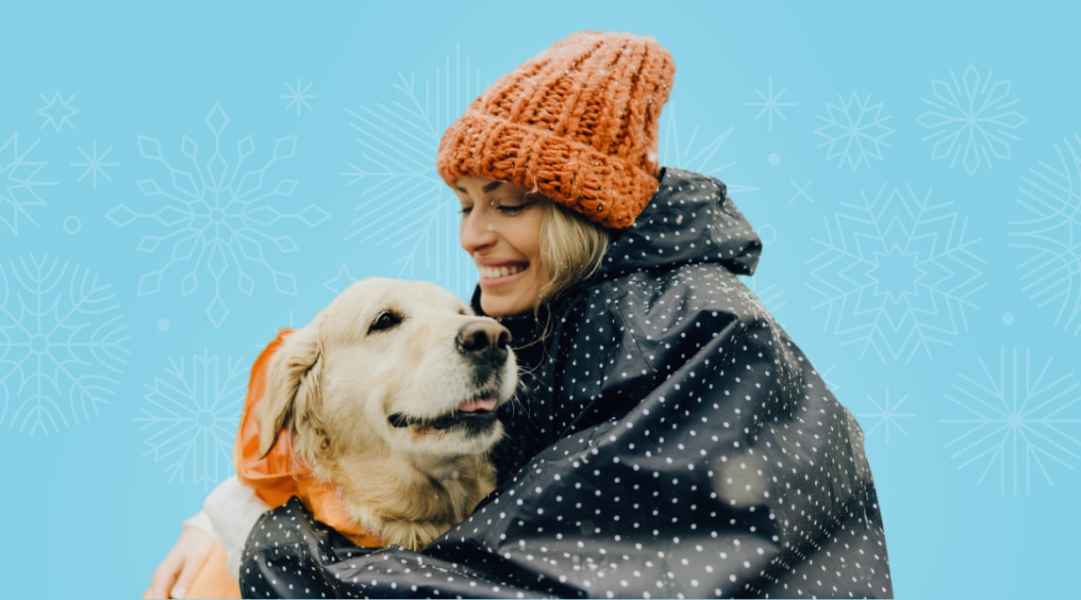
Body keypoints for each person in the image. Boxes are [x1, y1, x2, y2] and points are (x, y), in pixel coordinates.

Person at [146, 31, 894, 599]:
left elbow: (529, 581)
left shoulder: (702, 334)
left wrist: (259, 549)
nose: (472, 235)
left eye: (506, 204)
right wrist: (237, 500)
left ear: (583, 210)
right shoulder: (559, 313)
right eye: (464, 204)